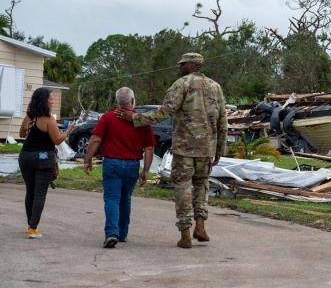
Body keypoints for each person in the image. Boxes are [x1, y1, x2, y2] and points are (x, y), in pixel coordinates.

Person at [117, 53, 227, 249]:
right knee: (202, 185)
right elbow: (222, 120)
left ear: (192, 65)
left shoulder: (181, 85)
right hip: (206, 147)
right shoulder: (216, 87)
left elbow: (164, 112)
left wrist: (135, 119)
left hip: (184, 148)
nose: (179, 67)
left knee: (183, 187)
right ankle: (200, 225)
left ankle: (185, 232)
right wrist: (220, 148)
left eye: (182, 64)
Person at [84, 87, 155, 248]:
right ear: (133, 100)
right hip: (132, 165)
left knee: (111, 199)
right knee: (125, 199)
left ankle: (111, 233)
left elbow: (95, 139)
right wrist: (146, 170)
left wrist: (87, 159)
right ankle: (122, 233)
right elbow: (149, 148)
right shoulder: (141, 120)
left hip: (112, 163)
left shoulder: (108, 117)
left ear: (117, 101)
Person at [18, 87, 75, 239]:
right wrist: (68, 130)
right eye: (51, 98)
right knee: (40, 193)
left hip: (25, 156)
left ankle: (30, 224)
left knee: (30, 191)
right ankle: (33, 228)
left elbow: (21, 134)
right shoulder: (49, 119)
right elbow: (57, 140)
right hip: (43, 158)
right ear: (44, 100)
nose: (53, 100)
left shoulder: (30, 116)